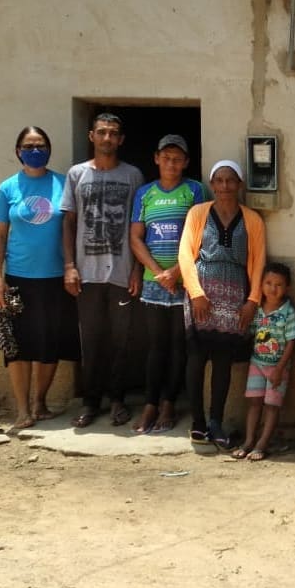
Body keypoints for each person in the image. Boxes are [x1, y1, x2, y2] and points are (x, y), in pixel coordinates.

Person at [62, 113, 144, 428]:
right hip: (87, 273)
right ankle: (90, 402)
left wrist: (137, 269)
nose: (107, 138)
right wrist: (69, 266)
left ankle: (118, 399)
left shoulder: (133, 175)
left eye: (113, 134)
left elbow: (140, 227)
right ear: (91, 136)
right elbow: (68, 222)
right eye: (102, 133)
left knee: (121, 340)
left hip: (122, 272)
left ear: (121, 140)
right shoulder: (76, 174)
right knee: (91, 339)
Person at [178, 159, 266, 450]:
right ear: (212, 185)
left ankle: (216, 422)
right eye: (219, 180)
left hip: (234, 295)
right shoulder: (198, 213)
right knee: (196, 357)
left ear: (239, 185)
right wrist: (196, 293)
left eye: (231, 181)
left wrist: (252, 300)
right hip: (202, 292)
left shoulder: (252, 219)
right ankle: (198, 423)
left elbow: (258, 262)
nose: (225, 186)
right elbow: (185, 255)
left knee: (223, 360)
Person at [0, 127, 70, 429]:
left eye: (40, 145)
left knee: (50, 344)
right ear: (17, 151)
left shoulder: (62, 183)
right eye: (28, 145)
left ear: (49, 149)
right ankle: (22, 410)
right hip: (18, 278)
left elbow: (71, 227)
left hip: (55, 277)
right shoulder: (7, 188)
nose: (35, 150)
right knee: (18, 346)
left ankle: (40, 403)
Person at [129, 135, 207, 434]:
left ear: (186, 162)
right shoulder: (145, 193)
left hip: (184, 281)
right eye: (166, 157)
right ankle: (150, 403)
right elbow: (136, 236)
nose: (171, 162)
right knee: (155, 345)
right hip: (153, 282)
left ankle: (169, 402)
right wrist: (157, 271)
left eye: (177, 158)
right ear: (156, 159)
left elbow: (201, 236)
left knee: (178, 345)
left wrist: (176, 271)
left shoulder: (195, 190)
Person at [232, 262, 295, 461]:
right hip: (256, 364)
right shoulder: (258, 310)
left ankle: (262, 443)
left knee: (271, 406)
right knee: (254, 403)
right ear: (260, 285)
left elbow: (291, 342)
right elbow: (251, 333)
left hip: (278, 368)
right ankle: (248, 441)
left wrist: (280, 369)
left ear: (287, 288)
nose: (273, 288)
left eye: (278, 284)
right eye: (268, 283)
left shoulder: (288, 312)